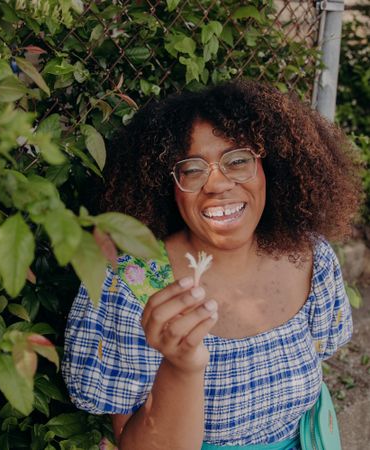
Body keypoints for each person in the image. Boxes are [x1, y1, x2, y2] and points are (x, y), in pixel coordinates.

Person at [62, 79, 362, 450]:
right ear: (166, 185)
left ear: (271, 168)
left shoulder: (310, 258)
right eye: (192, 169)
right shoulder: (134, 286)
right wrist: (181, 366)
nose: (218, 184)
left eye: (237, 160)